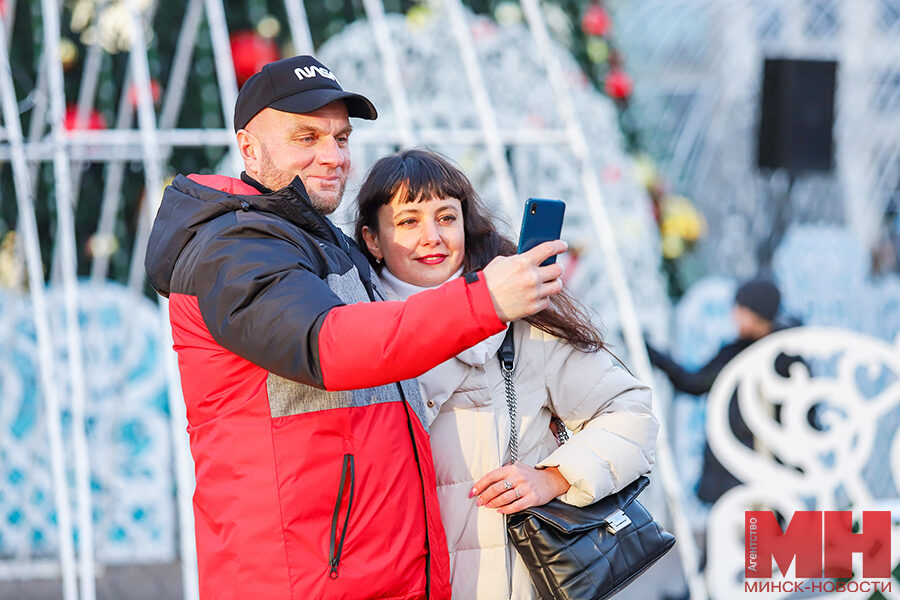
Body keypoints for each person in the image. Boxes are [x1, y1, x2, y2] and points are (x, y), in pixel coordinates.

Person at [144, 56, 567, 600]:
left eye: (341, 138)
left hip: (373, 574)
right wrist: (484, 299)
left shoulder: (320, 240)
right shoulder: (235, 247)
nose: (332, 156)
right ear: (249, 148)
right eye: (306, 136)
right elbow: (331, 344)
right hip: (303, 580)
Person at [354, 148, 659, 599]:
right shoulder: (348, 328)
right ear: (372, 239)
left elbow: (632, 413)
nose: (432, 237)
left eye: (445, 217)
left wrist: (554, 476)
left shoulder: (521, 321)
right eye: (408, 222)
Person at [646, 277, 806, 504]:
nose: (734, 315)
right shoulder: (734, 353)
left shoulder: (787, 357)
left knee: (760, 534)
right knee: (735, 532)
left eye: (741, 309)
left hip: (768, 470)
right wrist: (654, 354)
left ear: (756, 313)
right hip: (731, 468)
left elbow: (803, 416)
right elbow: (693, 383)